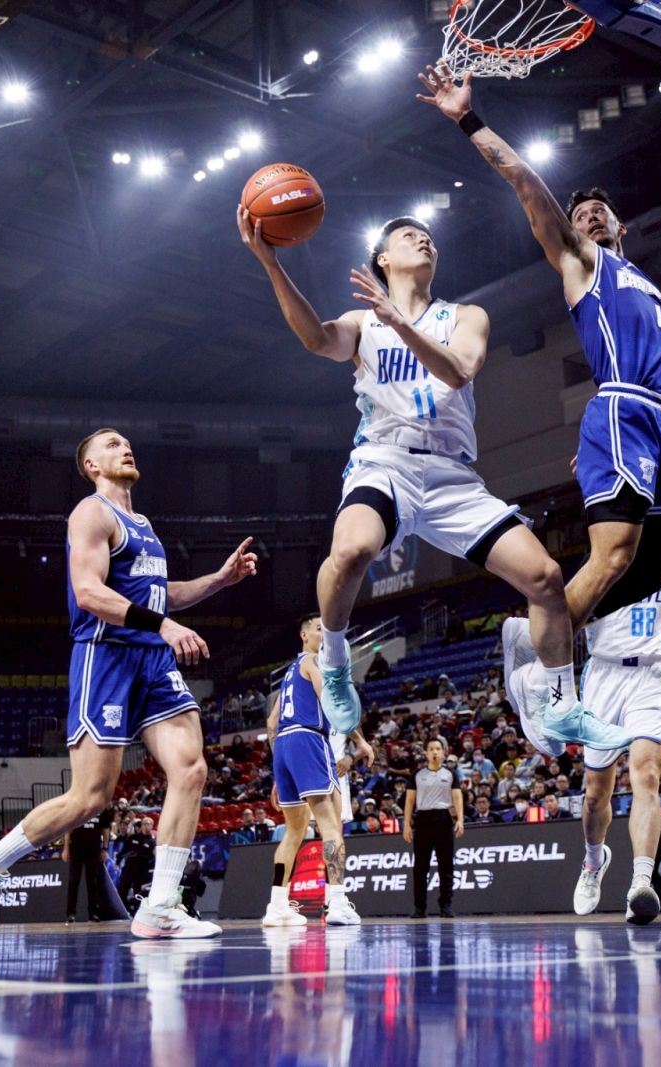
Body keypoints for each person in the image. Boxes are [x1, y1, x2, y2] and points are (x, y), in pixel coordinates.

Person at [238, 204, 620, 756]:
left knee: (546, 577)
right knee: (353, 550)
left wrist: (401, 325)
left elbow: (459, 369)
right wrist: (271, 263)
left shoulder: (466, 315)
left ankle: (561, 705)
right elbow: (317, 341)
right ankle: (338, 663)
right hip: (384, 461)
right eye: (408, 235)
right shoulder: (363, 322)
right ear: (382, 258)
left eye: (428, 236)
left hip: (449, 475)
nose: (423, 240)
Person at [417, 65, 661, 746]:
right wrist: (469, 119)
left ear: (622, 224)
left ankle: (534, 637)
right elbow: (525, 184)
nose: (590, 214)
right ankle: (544, 674)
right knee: (615, 551)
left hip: (658, 422)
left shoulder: (643, 281)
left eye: (600, 210)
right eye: (579, 213)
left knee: (642, 569)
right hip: (623, 408)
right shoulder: (581, 263)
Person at [0, 428, 259, 940]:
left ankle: (160, 906)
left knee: (191, 769)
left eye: (126, 442)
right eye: (112, 444)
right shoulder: (91, 514)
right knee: (91, 798)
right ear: (92, 465)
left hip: (151, 661)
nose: (125, 447)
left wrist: (217, 581)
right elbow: (89, 593)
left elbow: (163, 597)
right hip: (107, 657)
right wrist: (162, 625)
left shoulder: (144, 525)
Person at [553, 548, 661, 925]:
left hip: (652, 676)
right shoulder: (602, 558)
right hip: (605, 676)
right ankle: (593, 860)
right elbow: (566, 619)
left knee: (647, 775)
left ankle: (640, 885)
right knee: (596, 793)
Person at [261, 615, 360, 928]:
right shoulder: (313, 662)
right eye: (319, 628)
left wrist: (281, 771)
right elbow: (331, 701)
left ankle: (276, 906)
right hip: (308, 738)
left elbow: (270, 724)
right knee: (330, 824)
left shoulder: (288, 673)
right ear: (304, 635)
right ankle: (337, 902)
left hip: (285, 747)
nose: (324, 632)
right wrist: (362, 742)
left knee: (294, 831)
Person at [404, 737, 465, 918]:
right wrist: (406, 824)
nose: (435, 752)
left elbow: (458, 797)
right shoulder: (417, 775)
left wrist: (460, 820)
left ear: (443, 752)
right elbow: (409, 801)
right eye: (431, 749)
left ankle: (445, 906)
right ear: (426, 752)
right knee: (420, 867)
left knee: (446, 866)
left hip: (443, 819)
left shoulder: (450, 774)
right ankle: (419, 907)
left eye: (438, 749)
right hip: (423, 820)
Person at [65, 807, 109, 923]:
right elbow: (68, 829)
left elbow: (105, 829)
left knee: (93, 882)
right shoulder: (75, 808)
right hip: (76, 850)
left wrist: (105, 848)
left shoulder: (101, 808)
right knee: (73, 881)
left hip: (94, 850)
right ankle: (71, 913)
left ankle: (93, 913)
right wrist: (65, 849)